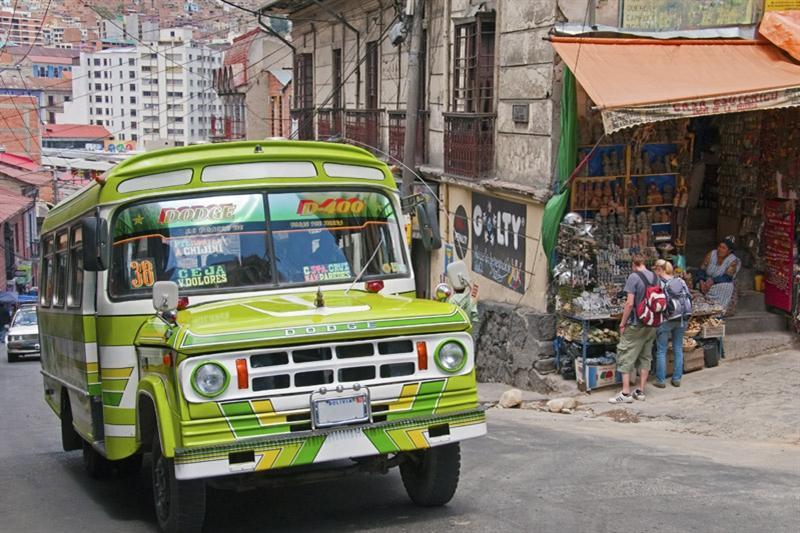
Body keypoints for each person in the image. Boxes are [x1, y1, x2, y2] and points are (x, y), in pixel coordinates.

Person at [609, 254, 659, 404]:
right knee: (645, 356)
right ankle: (640, 391)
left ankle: (625, 393)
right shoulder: (655, 277)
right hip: (651, 323)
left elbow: (630, 304)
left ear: (634, 264)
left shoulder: (633, 277)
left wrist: (622, 323)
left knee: (625, 354)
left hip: (637, 322)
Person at [653, 260, 691, 388]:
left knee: (661, 350)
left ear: (659, 269)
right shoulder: (680, 281)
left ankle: (661, 380)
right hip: (682, 318)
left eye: (655, 268)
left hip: (666, 319)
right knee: (678, 348)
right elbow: (689, 297)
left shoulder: (659, 282)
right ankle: (676, 379)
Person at [696, 236, 740, 314]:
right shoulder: (711, 254)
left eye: (723, 248)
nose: (720, 249)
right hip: (706, 281)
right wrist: (701, 280)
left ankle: (717, 311)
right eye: (719, 246)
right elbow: (701, 269)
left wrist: (713, 281)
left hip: (720, 283)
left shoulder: (733, 260)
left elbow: (728, 277)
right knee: (697, 285)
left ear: (729, 251)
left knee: (726, 287)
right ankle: (703, 309)